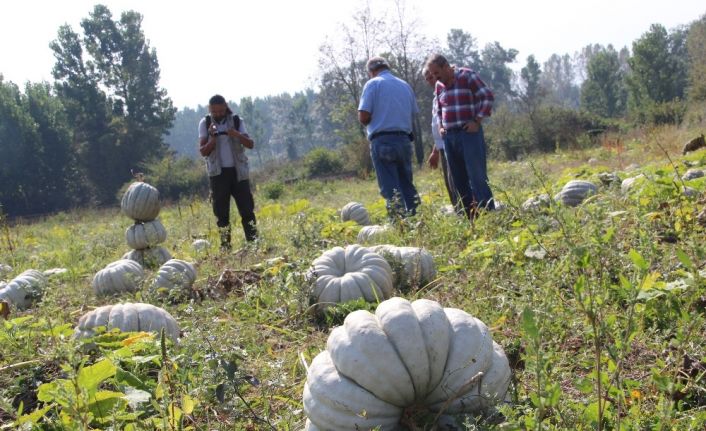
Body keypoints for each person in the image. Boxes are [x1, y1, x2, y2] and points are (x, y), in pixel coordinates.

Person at [425, 53, 495, 219]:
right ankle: (470, 217)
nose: (435, 77)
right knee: (458, 179)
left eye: (436, 73)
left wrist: (477, 121)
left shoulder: (467, 76)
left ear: (446, 66)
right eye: (432, 75)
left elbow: (487, 96)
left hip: (468, 134)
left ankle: (489, 215)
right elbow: (440, 109)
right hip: (449, 137)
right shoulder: (439, 86)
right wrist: (441, 126)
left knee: (476, 176)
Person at [358, 56, 420, 218]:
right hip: (404, 140)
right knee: (407, 184)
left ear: (371, 71)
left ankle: (400, 225)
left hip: (383, 141)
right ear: (387, 67)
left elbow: (363, 116)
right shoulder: (404, 85)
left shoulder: (372, 84)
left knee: (390, 188)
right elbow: (412, 113)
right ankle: (418, 220)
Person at [198, 94, 257, 249]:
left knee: (247, 211)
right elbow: (203, 151)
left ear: (225, 107)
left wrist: (236, 134)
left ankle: (254, 243)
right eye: (214, 112)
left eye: (219, 111)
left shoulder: (237, 121)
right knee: (222, 214)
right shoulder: (205, 123)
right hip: (218, 175)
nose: (217, 114)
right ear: (210, 110)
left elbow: (250, 144)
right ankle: (226, 247)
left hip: (239, 173)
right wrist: (212, 138)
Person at [423, 65, 459, 210]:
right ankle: (459, 211)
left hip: (452, 143)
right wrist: (435, 151)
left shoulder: (448, 91)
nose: (431, 81)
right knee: (450, 182)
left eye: (432, 77)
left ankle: (468, 211)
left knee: (457, 180)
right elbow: (438, 126)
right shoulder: (436, 97)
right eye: (427, 79)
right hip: (442, 146)